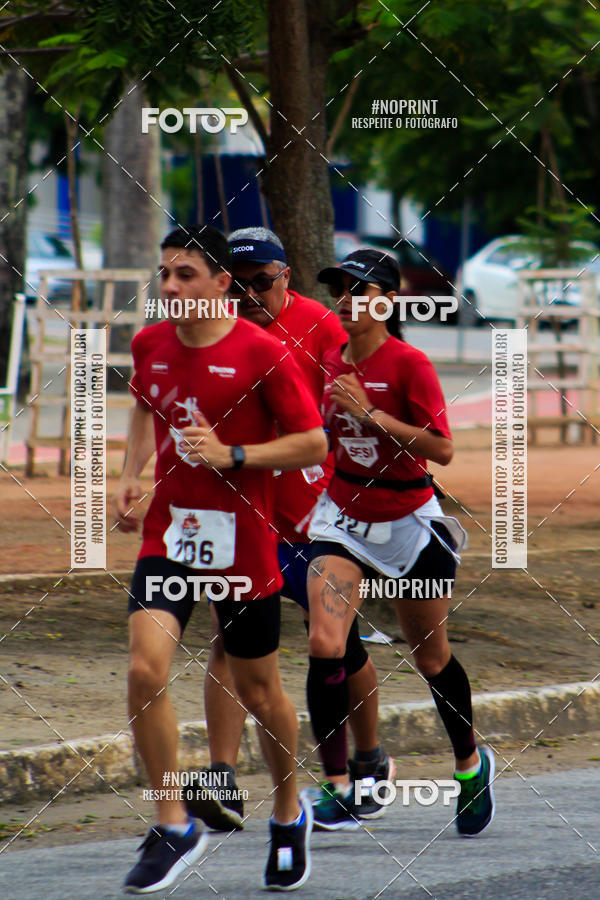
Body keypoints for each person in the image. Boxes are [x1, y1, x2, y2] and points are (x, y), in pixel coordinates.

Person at [114, 224, 328, 892]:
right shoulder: (150, 343)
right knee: (144, 669)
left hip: (242, 538)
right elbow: (145, 407)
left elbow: (312, 443)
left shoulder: (262, 352)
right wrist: (131, 474)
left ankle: (288, 813)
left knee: (260, 690)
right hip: (171, 534)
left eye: (185, 274)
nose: (171, 286)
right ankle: (173, 824)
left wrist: (234, 455)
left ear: (220, 283)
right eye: (165, 274)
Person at [192, 226, 394, 835]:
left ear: (285, 276)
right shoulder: (214, 329)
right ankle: (221, 777)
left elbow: (357, 406)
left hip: (317, 513)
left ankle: (368, 760)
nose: (250, 295)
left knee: (336, 640)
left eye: (262, 281)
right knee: (228, 641)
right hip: (246, 509)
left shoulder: (322, 326)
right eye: (238, 285)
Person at [302, 248, 495, 835]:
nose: (346, 300)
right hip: (343, 518)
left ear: (388, 300)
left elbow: (443, 450)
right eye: (339, 289)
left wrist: (373, 415)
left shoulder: (410, 364)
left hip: (410, 522)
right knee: (325, 640)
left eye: (358, 290)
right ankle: (341, 784)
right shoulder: (328, 360)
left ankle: (470, 764)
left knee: (430, 657)